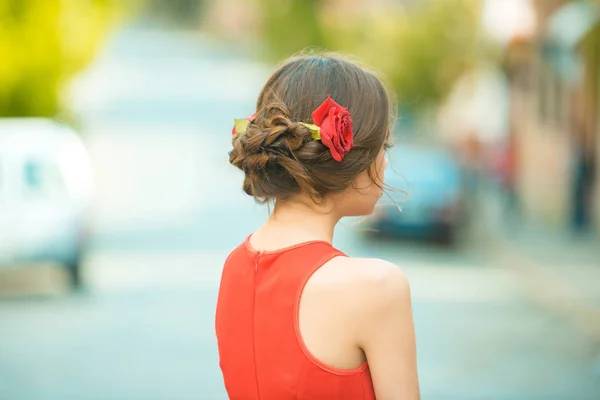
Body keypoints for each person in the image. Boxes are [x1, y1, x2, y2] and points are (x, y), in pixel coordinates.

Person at [215, 53, 420, 400]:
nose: (385, 161)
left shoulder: (234, 266)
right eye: (382, 146)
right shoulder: (376, 287)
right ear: (348, 153)